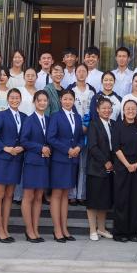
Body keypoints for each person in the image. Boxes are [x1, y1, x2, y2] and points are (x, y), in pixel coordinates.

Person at [0, 88, 26, 242]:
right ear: (8, 99)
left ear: (21, 99)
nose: (14, 100)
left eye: (17, 98)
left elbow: (26, 137)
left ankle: (5, 228)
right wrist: (5, 148)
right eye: (12, 97)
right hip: (3, 159)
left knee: (10, 195)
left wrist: (22, 147)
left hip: (16, 159)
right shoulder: (2, 115)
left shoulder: (24, 117)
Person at [47, 89, 83, 242]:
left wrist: (78, 147)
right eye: (65, 99)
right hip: (59, 160)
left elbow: (81, 137)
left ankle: (64, 228)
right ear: (60, 100)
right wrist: (67, 149)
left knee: (66, 194)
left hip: (72, 160)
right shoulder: (55, 116)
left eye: (70, 99)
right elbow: (51, 138)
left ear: (74, 101)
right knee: (57, 194)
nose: (68, 101)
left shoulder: (77, 117)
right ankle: (57, 230)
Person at [19, 90, 52, 243]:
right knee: (29, 196)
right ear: (34, 102)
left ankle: (36, 229)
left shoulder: (49, 120)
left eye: (45, 100)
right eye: (40, 100)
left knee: (39, 196)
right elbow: (24, 141)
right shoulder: (29, 120)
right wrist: (40, 148)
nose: (42, 103)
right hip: (32, 162)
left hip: (44, 163)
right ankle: (29, 230)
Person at [112, 99, 137, 242]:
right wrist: (127, 165)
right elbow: (116, 148)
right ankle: (120, 233)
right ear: (123, 110)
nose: (130, 111)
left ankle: (134, 232)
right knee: (122, 199)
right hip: (122, 166)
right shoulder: (118, 126)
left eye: (133, 108)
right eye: (128, 108)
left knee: (135, 200)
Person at [85, 97, 115, 241]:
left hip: (110, 168)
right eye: (103, 108)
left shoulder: (113, 124)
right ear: (97, 109)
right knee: (93, 200)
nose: (106, 110)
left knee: (104, 200)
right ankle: (92, 230)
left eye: (109, 108)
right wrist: (105, 161)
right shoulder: (93, 124)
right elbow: (93, 147)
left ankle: (101, 229)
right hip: (96, 168)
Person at [69, 62, 97, 204]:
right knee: (72, 163)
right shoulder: (70, 89)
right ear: (75, 73)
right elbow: (67, 107)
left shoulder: (92, 91)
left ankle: (82, 194)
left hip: (87, 131)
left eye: (83, 71)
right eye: (78, 71)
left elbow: (93, 111)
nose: (81, 73)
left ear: (87, 73)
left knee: (84, 164)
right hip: (72, 131)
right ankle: (71, 194)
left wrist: (87, 126)